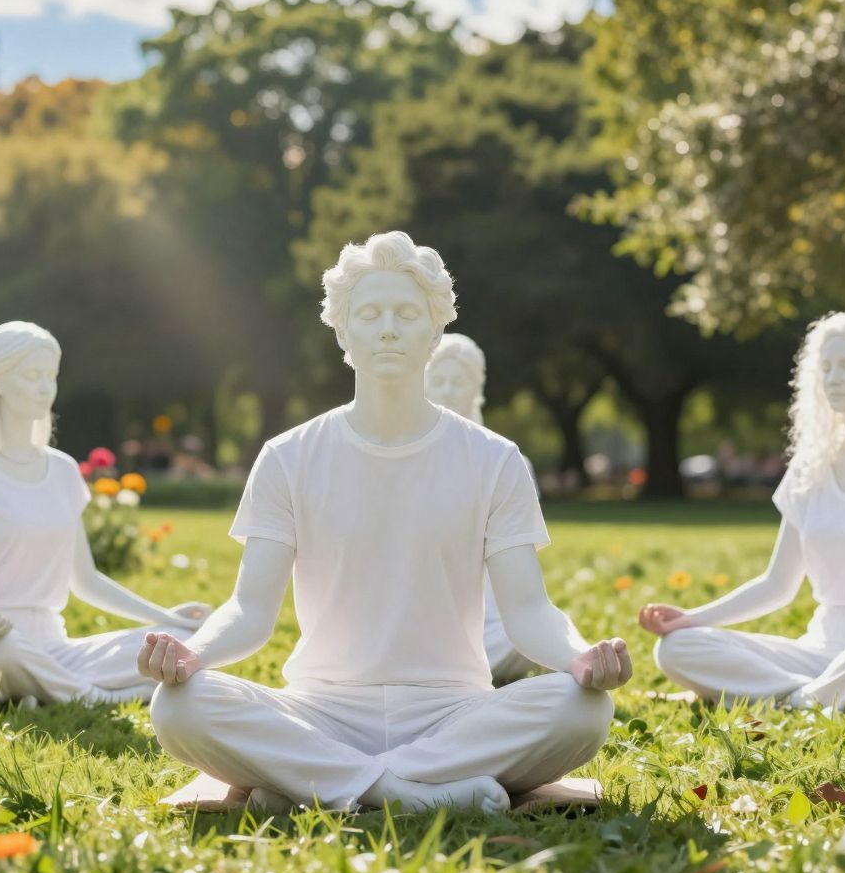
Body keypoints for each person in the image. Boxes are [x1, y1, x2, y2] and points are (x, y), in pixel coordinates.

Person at [139, 232, 631, 812]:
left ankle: (316, 784)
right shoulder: (288, 456)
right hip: (320, 710)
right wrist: (194, 655)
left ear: (435, 328)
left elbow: (527, 610)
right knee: (177, 706)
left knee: (584, 708)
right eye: (370, 314)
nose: (389, 328)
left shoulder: (494, 459)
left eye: (406, 313)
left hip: (453, 712)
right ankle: (403, 793)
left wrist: (578, 659)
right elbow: (250, 609)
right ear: (343, 330)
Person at [640, 310, 845, 711]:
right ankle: (812, 697)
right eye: (826, 368)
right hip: (822, 650)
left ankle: (798, 699)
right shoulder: (810, 467)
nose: (834, 378)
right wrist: (691, 619)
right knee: (676, 648)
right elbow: (777, 584)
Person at [0, 321, 210, 708]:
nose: (45, 387)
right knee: (3, 653)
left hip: (51, 646)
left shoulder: (61, 471)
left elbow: (87, 580)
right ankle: (92, 696)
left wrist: (170, 619)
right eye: (31, 376)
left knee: (178, 642)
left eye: (51, 376)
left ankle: (38, 689)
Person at [425, 333, 535, 684]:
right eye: (437, 381)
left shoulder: (507, 463)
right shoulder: (399, 463)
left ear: (477, 388)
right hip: (418, 626)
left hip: (491, 627)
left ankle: (445, 672)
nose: (447, 391)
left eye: (458, 382)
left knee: (529, 636)